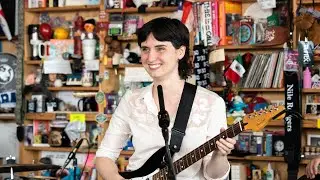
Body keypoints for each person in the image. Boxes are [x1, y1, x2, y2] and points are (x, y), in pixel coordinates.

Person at [95, 17, 236, 180]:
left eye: (160, 48)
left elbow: (213, 175)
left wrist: (219, 155)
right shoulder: (132, 99)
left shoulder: (212, 103)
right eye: (145, 49)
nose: (150, 57)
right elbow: (104, 156)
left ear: (180, 52)